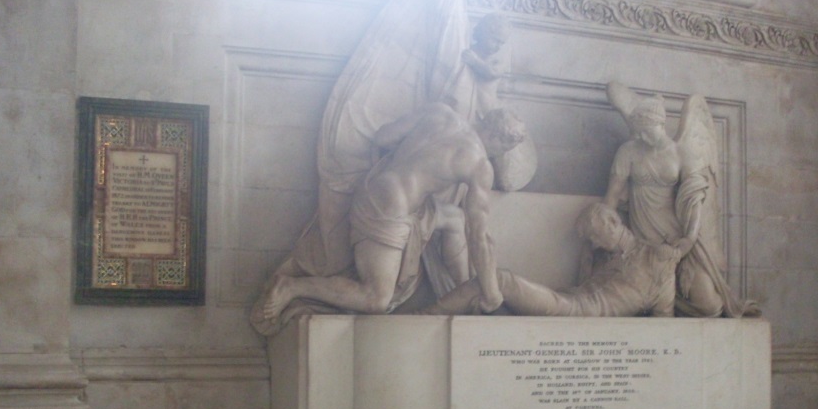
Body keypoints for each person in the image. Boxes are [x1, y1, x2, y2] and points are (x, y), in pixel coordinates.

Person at [253, 102, 525, 327]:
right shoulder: (479, 165)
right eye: (506, 149)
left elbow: (383, 137)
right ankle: (292, 287)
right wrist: (491, 293)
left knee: (455, 219)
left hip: (377, 187)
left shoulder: (440, 112)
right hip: (389, 210)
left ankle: (462, 292)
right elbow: (479, 237)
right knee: (376, 299)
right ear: (500, 140)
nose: (501, 155)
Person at [603, 85, 757, 317]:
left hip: (676, 239)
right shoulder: (628, 151)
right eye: (639, 132)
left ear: (660, 124)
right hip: (642, 242)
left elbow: (695, 200)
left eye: (646, 131)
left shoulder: (682, 153)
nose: (641, 136)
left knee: (710, 307)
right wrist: (605, 232)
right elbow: (612, 197)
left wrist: (689, 239)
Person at [423, 202, 688, 317]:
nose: (593, 244)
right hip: (569, 300)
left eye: (594, 237)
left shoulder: (656, 259)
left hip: (576, 311)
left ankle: (423, 317)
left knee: (500, 281)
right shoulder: (604, 259)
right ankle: (429, 317)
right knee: (492, 300)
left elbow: (663, 320)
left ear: (613, 222)